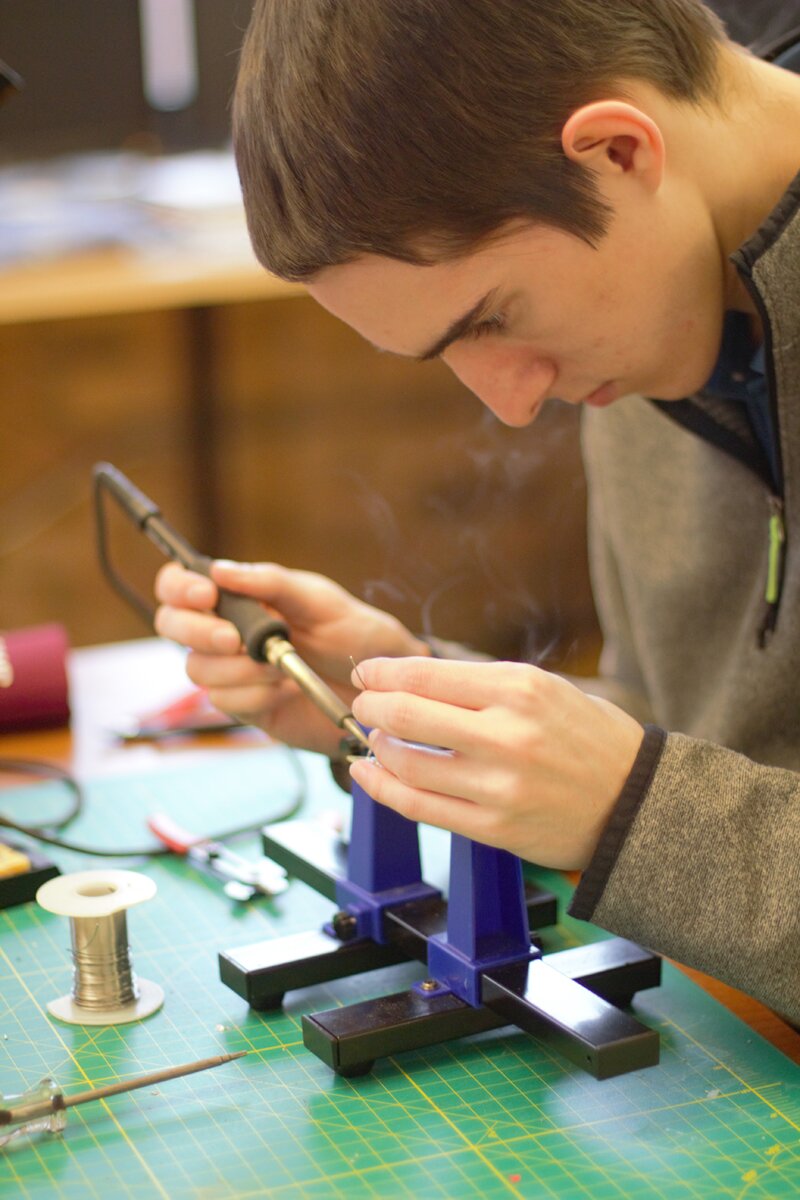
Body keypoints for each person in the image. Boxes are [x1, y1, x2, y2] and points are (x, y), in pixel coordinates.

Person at [154, 1, 800, 1023]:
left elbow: (663, 803)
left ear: (618, 150)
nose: (511, 400)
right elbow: (694, 744)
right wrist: (435, 713)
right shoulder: (654, 295)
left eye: (494, 316)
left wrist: (631, 816)